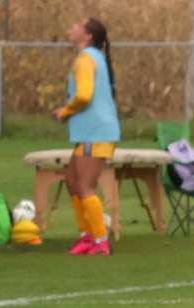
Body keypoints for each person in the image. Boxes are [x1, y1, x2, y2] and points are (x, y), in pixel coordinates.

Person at [51, 18, 120, 257]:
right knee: (72, 181)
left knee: (85, 186)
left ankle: (101, 241)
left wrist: (65, 111)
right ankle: (87, 236)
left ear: (88, 36)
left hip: (96, 132)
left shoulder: (86, 59)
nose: (72, 27)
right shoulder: (93, 56)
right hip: (90, 133)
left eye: (77, 25)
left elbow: (83, 95)